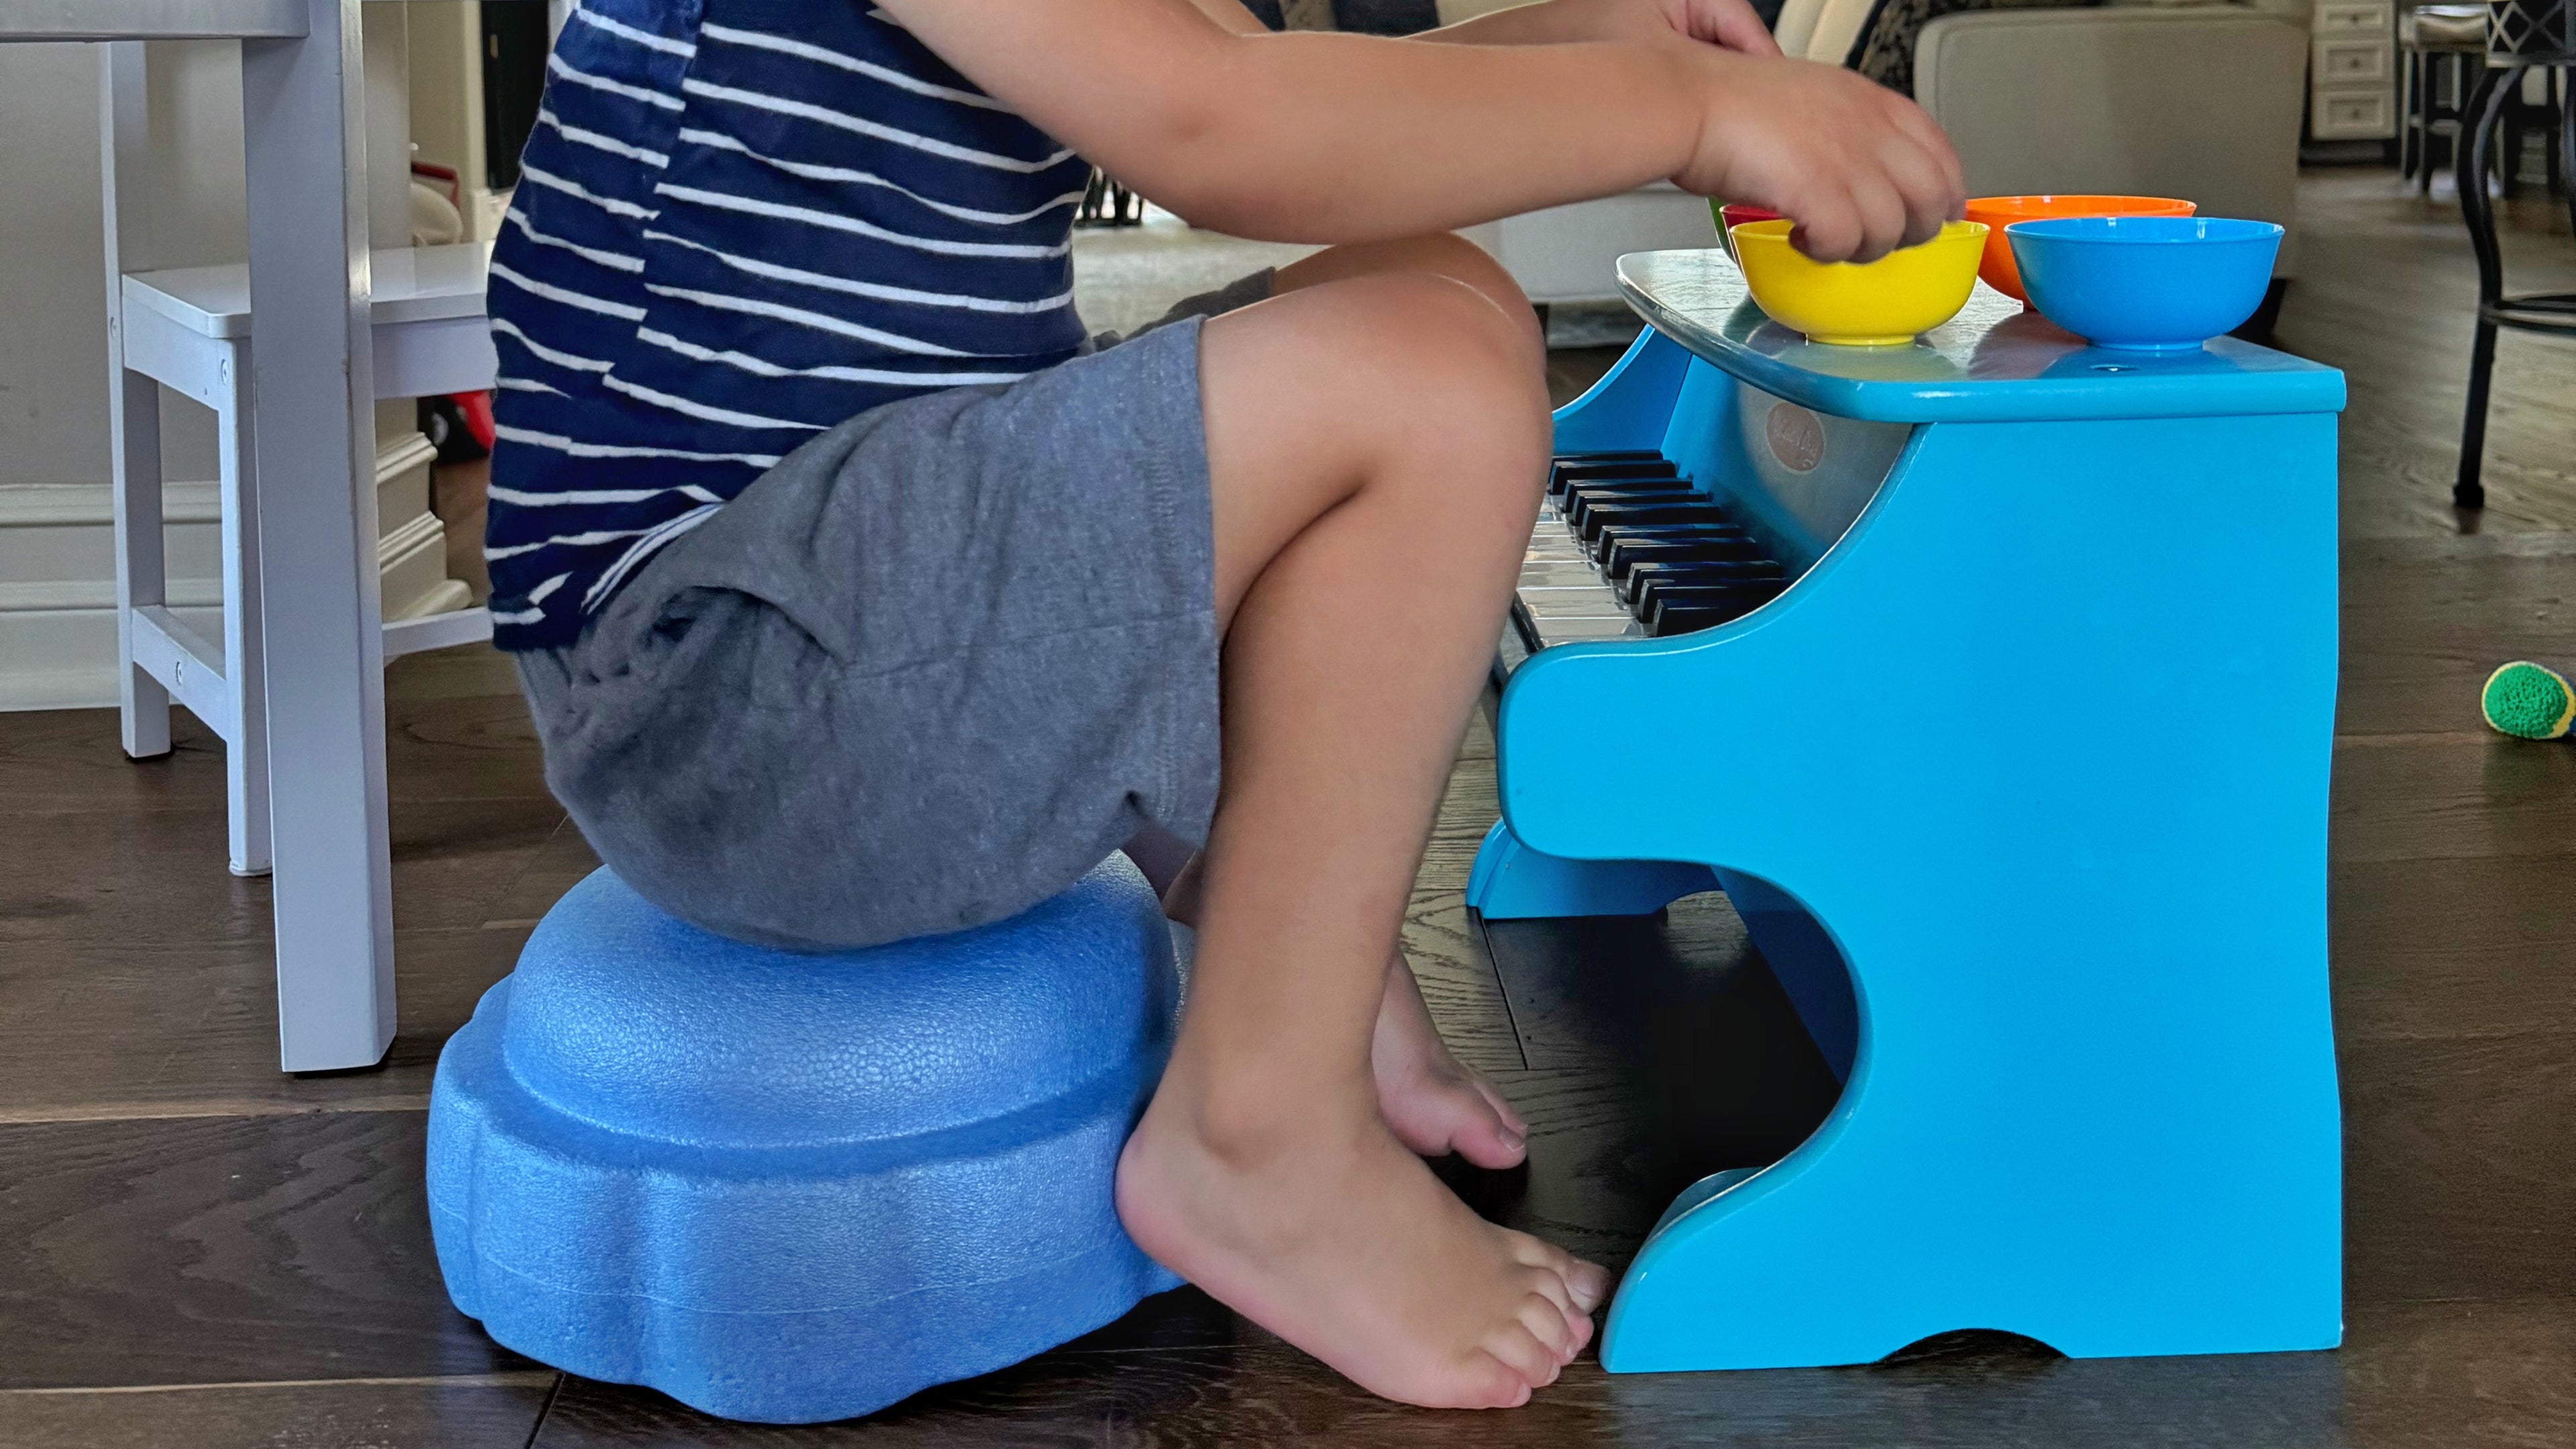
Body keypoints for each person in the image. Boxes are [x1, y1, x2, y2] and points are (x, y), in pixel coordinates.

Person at [482, 0, 1961, 1409]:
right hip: (734, 710)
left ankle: (1288, 959)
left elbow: (1221, 69)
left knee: (1431, 289)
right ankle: (1260, 1134)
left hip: (807, 635)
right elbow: (1215, 127)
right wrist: (1685, 109)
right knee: (1424, 379)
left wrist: (1586, 40)